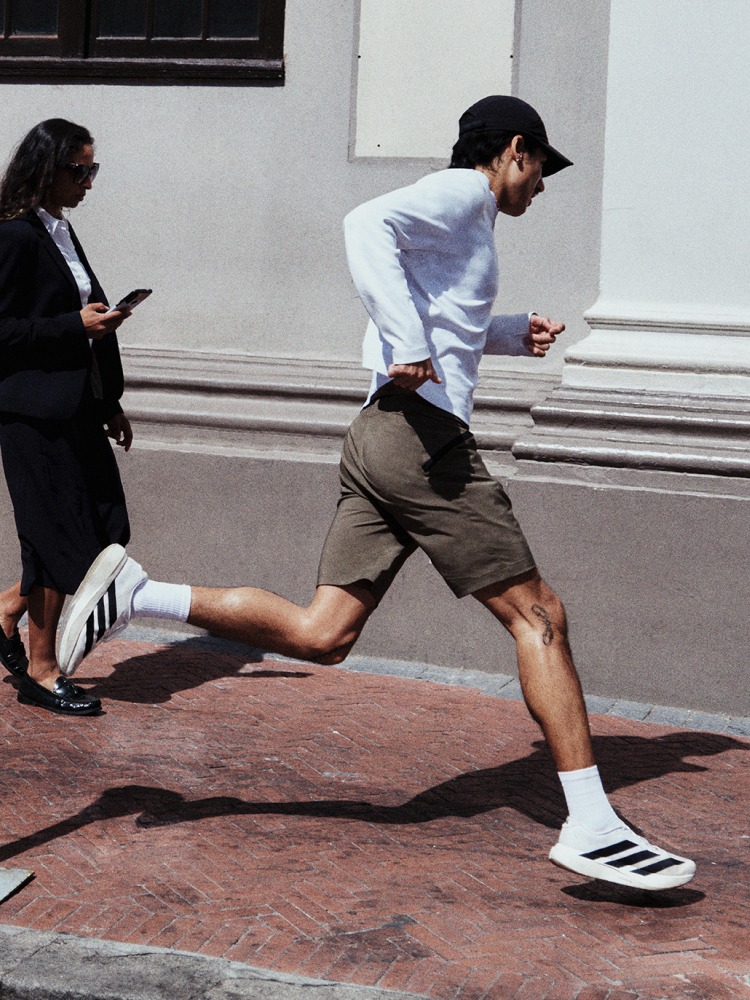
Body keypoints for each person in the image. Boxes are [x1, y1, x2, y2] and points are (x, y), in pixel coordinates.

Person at [57, 96, 695, 889]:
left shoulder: (471, 220)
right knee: (540, 616)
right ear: (514, 150)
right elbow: (365, 226)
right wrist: (407, 339)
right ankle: (592, 824)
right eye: (541, 170)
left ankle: (144, 593)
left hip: (381, 435)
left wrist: (503, 332)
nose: (542, 186)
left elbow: (440, 310)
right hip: (422, 442)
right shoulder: (463, 193)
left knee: (324, 633)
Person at [0, 118, 134, 715]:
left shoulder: (60, 231)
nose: (87, 181)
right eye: (78, 170)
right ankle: (41, 668)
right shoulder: (16, 236)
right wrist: (72, 325)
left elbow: (80, 319)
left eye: (92, 170)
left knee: (104, 531)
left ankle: (7, 610)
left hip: (76, 408)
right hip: (31, 414)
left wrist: (109, 403)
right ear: (46, 169)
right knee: (55, 540)